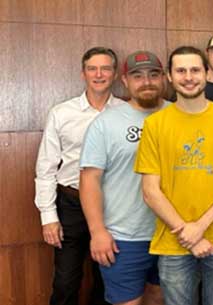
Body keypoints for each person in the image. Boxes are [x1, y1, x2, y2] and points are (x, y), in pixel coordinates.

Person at [134, 46, 213, 305]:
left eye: (195, 70)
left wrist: (199, 227)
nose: (189, 77)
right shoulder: (155, 124)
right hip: (174, 241)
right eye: (181, 70)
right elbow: (150, 191)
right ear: (170, 77)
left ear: (207, 73)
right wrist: (186, 232)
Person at [35, 46, 123, 305]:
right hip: (70, 204)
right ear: (83, 73)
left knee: (108, 280)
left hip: (113, 205)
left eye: (105, 68)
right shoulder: (61, 113)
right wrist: (48, 216)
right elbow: (46, 168)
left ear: (115, 74)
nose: (99, 74)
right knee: (65, 283)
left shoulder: (126, 113)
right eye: (92, 68)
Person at [80, 51, 168, 305]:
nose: (147, 81)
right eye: (137, 76)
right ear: (125, 81)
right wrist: (97, 231)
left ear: (164, 78)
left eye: (153, 74)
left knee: (159, 299)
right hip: (124, 238)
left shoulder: (179, 116)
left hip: (171, 234)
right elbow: (90, 180)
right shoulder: (105, 124)